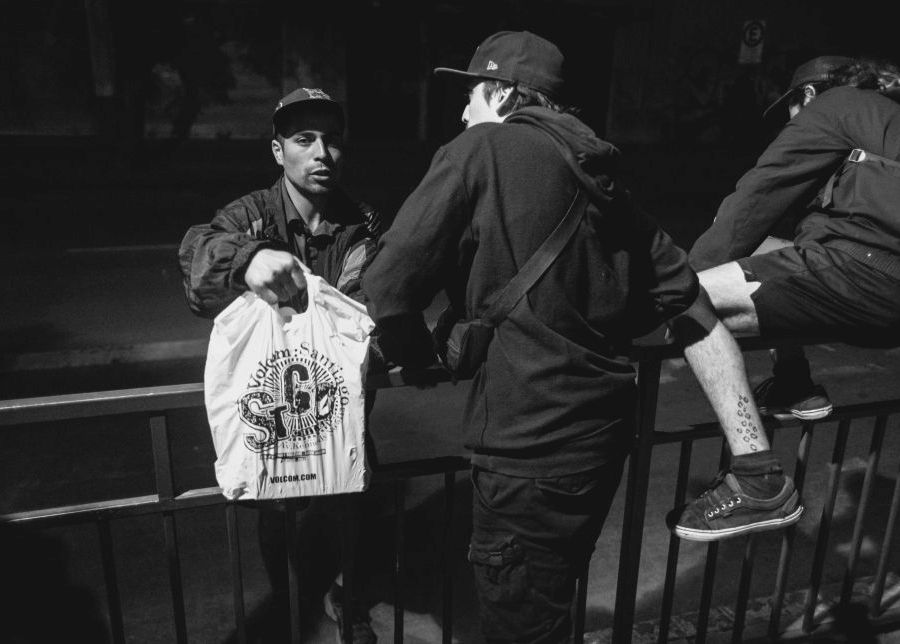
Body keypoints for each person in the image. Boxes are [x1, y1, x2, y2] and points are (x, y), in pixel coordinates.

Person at [362, 30, 802, 642]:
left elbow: (388, 281)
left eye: (470, 94)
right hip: (598, 444)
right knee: (552, 597)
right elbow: (685, 296)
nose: (462, 111)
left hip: (525, 447)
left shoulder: (482, 148)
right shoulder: (604, 175)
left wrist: (416, 351)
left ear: (504, 92)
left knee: (520, 622)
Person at [178, 87, 381, 643]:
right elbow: (197, 258)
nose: (321, 153)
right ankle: (292, 605)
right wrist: (247, 259)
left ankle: (348, 600)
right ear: (277, 151)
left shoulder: (362, 223)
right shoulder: (252, 215)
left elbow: (379, 305)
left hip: (342, 411)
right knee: (280, 511)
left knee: (353, 501)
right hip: (278, 416)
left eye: (333, 140)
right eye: (304, 139)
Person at [689, 56, 900, 421]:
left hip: (866, 275)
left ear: (807, 94)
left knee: (688, 302)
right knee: (776, 254)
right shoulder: (883, 117)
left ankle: (754, 467)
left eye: (791, 107)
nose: (791, 119)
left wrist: (683, 280)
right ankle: (793, 383)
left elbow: (754, 200)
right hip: (874, 272)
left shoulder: (835, 104)